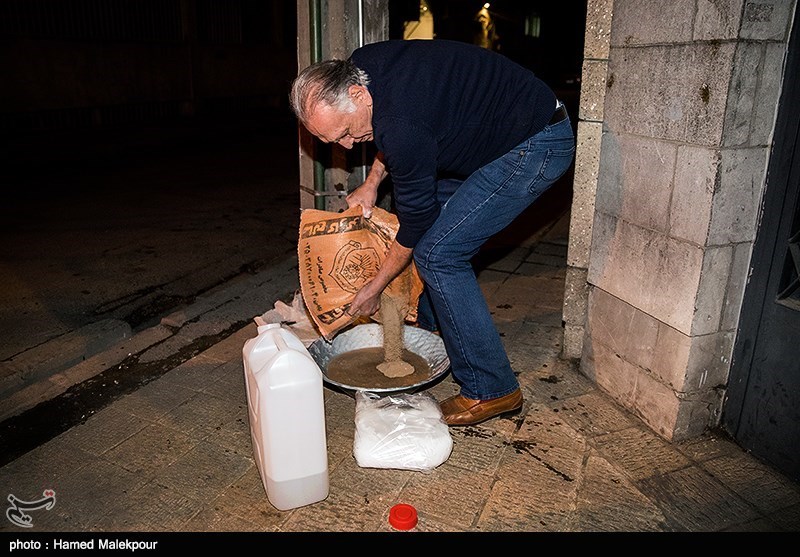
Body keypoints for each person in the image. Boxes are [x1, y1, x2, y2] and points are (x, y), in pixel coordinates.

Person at [290, 39, 575, 426]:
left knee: (439, 253)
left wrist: (374, 288)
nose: (344, 145)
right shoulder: (363, 66)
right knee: (436, 236)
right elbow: (391, 136)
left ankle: (492, 388)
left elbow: (414, 220)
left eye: (342, 133)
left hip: (535, 144)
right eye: (330, 141)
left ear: (357, 92)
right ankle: (433, 327)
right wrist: (373, 181)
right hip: (485, 134)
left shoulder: (402, 127)